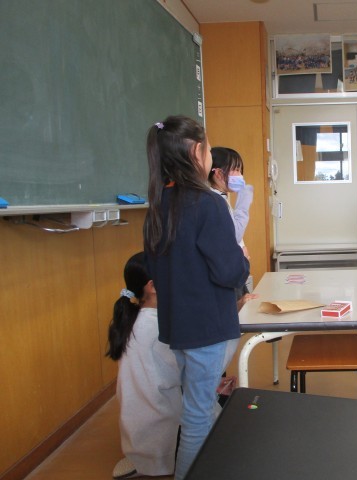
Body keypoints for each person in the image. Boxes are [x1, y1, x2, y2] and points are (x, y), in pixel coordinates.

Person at [143, 115, 250, 480]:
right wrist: (243, 262)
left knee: (197, 405)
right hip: (208, 328)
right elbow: (230, 272)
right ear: (197, 152)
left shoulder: (157, 206)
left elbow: (156, 269)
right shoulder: (208, 204)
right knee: (197, 416)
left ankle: (217, 462)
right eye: (208, 149)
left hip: (178, 327)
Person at [106, 252, 181, 480]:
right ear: (153, 286)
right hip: (158, 431)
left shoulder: (135, 319)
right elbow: (186, 371)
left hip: (138, 430)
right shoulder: (156, 326)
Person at [208, 146, 256, 307]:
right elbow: (234, 233)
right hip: (229, 270)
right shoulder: (215, 201)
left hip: (235, 267)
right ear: (218, 173)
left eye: (240, 170)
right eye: (236, 170)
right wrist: (244, 199)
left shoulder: (221, 198)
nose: (240, 175)